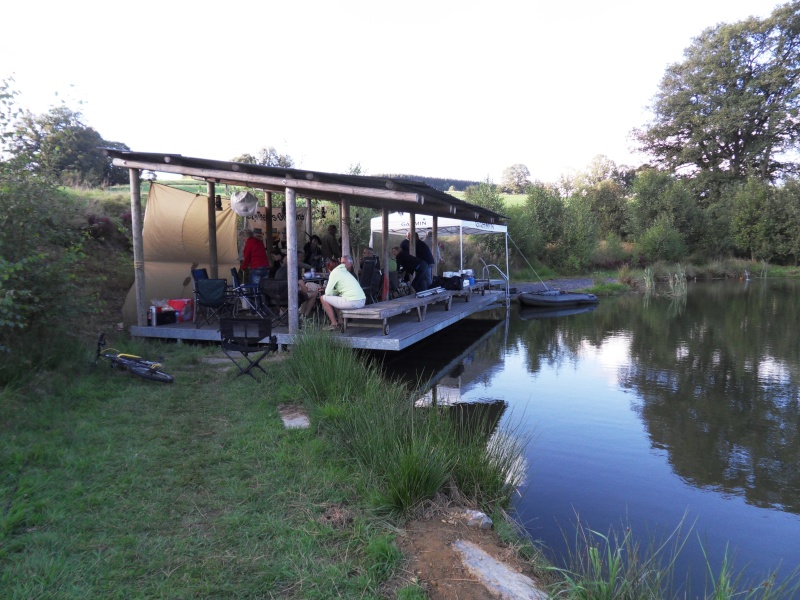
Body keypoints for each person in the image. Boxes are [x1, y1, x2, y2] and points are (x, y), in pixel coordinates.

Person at [320, 255, 365, 331]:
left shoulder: (334, 272)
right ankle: (340, 322)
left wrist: (332, 292)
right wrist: (335, 292)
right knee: (336, 298)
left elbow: (327, 293)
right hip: (362, 301)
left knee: (323, 298)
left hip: (353, 302)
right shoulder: (345, 272)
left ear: (329, 268)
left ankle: (334, 324)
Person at [274, 251, 317, 319]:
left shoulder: (279, 270)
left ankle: (283, 316)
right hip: (291, 297)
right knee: (313, 294)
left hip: (278, 298)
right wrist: (305, 290)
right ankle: (304, 316)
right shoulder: (294, 270)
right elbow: (304, 289)